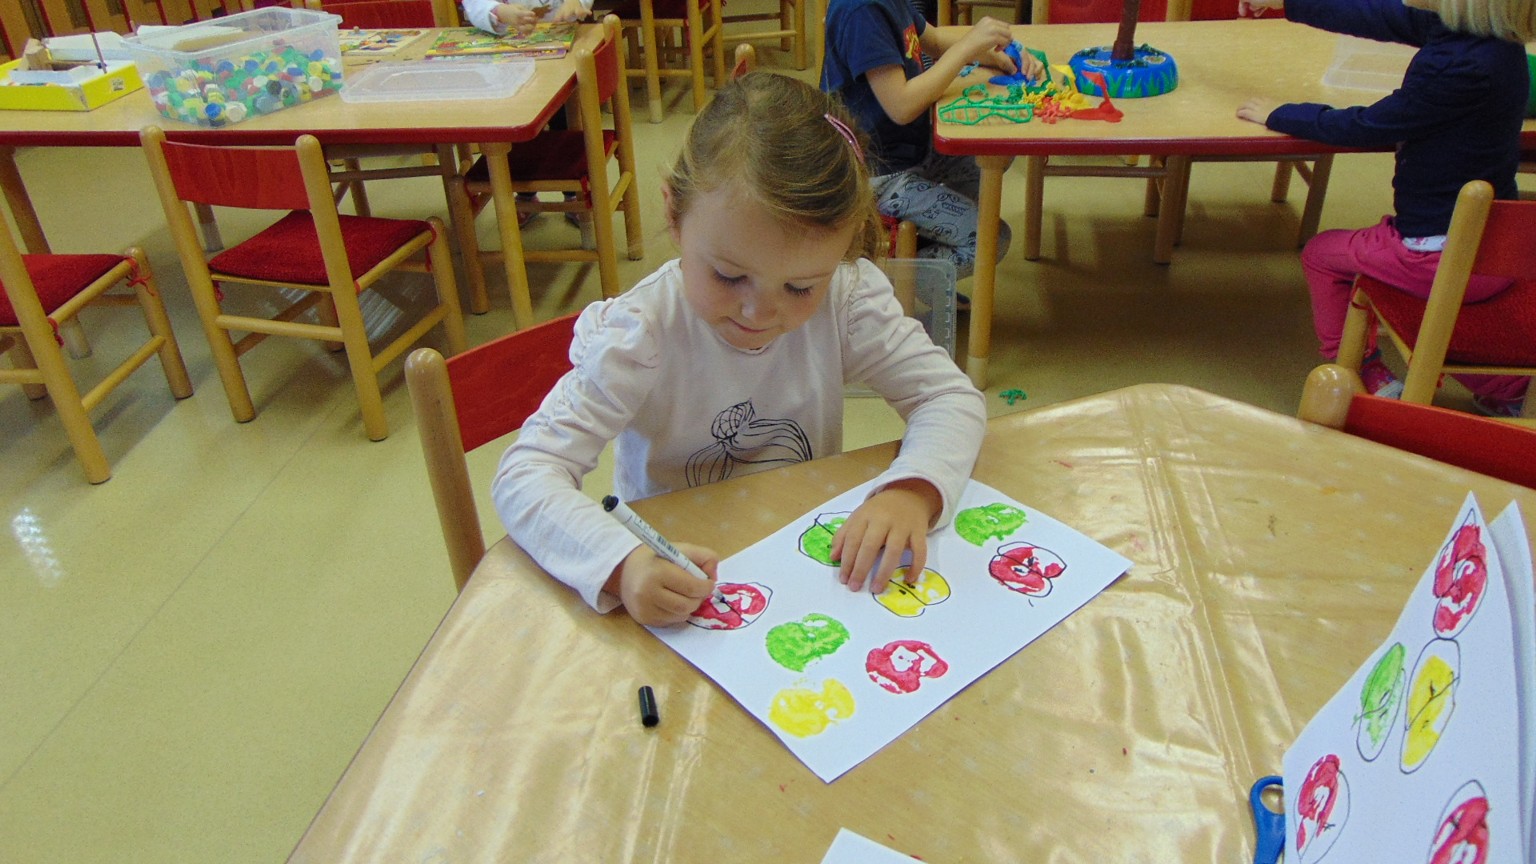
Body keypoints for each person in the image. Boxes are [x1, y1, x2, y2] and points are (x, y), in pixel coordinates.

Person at [491, 73, 988, 627]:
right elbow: (526, 473)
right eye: (729, 276)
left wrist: (912, 490)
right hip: (676, 580)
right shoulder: (641, 334)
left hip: (801, 566)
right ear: (674, 215)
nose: (759, 312)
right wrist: (620, 564)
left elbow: (948, 397)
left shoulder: (846, 300)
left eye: (800, 287)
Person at [1237, 0, 1536, 417]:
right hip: (1499, 247)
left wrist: (1282, 114)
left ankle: (1363, 372)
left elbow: (1368, 125)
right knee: (1430, 310)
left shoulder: (1458, 67)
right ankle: (1508, 390)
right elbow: (1377, 15)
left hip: (1439, 251)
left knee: (1322, 254)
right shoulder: (1491, 43)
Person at [820, 1, 1041, 284]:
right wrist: (968, 47)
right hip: (877, 177)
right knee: (991, 240)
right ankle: (896, 285)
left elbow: (933, 40)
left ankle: (924, 241)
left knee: (991, 154)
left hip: (908, 150)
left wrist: (994, 56)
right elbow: (901, 106)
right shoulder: (862, 11)